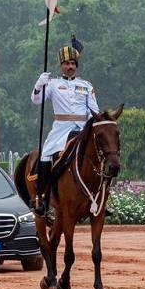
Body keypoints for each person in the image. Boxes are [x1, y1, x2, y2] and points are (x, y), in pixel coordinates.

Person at [30, 38, 100, 215]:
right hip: (61, 129)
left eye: (72, 63)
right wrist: (39, 85)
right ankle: (43, 197)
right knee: (45, 154)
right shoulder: (52, 84)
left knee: (103, 155)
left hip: (83, 129)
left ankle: (102, 197)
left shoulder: (86, 86)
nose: (70, 67)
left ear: (76, 65)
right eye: (67, 63)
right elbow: (36, 101)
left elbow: (95, 110)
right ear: (61, 65)